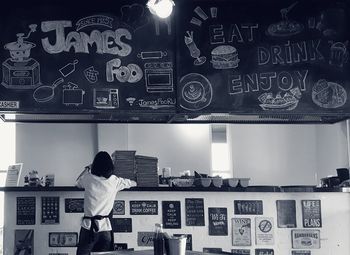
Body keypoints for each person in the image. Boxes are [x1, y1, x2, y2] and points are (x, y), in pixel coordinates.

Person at [76, 151, 137, 255]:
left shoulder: (88, 178)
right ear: (110, 166)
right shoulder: (115, 181)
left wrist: (87, 168)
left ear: (94, 165)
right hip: (105, 229)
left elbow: (77, 182)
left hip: (88, 228)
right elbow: (134, 183)